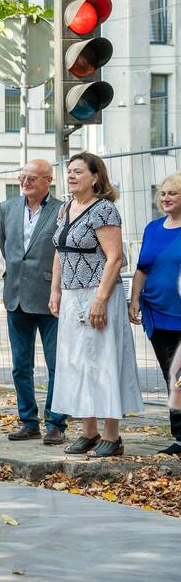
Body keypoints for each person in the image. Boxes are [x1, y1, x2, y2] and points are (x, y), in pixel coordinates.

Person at [50, 152, 143, 457]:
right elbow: (60, 253)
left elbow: (115, 258)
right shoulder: (66, 208)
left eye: (78, 171)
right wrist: (55, 291)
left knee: (103, 361)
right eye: (69, 171)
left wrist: (100, 299)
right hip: (71, 294)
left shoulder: (104, 210)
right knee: (75, 363)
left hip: (98, 293)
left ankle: (112, 436)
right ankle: (88, 432)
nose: (71, 176)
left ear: (95, 177)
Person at [0, 159, 67, 445]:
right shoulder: (6, 208)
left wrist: (56, 285)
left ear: (48, 180)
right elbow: (7, 247)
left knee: (56, 364)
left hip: (51, 297)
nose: (25, 182)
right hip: (15, 297)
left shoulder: (62, 208)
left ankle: (56, 423)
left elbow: (62, 248)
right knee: (20, 365)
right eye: (22, 177)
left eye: (33, 178)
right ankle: (28, 421)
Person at [129, 174, 181, 456]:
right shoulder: (152, 228)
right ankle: (180, 437)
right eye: (163, 193)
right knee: (171, 376)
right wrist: (134, 298)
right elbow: (142, 268)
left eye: (172, 193)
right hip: (157, 313)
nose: (166, 198)